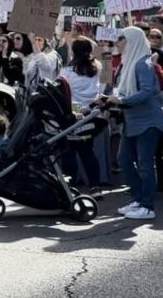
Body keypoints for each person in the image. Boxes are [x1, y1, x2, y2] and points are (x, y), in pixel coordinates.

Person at [107, 27, 163, 220]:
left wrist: (122, 101)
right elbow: (123, 91)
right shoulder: (127, 63)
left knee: (145, 164)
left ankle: (147, 206)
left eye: (121, 38)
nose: (117, 42)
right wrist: (107, 99)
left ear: (132, 40)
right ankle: (139, 199)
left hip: (148, 122)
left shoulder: (143, 64)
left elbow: (147, 91)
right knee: (124, 160)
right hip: (132, 122)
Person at [59, 37, 106, 193]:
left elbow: (65, 92)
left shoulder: (66, 71)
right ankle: (95, 186)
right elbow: (100, 88)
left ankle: (70, 187)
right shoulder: (97, 67)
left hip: (75, 112)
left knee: (70, 151)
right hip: (92, 112)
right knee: (87, 151)